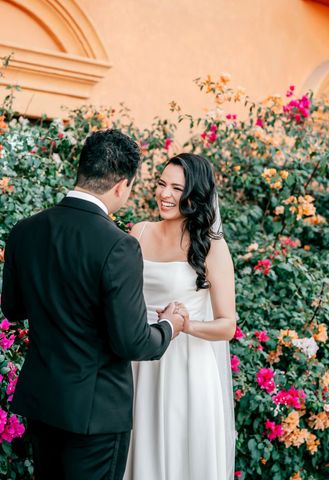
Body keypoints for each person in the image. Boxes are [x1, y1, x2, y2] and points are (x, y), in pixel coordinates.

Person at [1, 129, 186, 480]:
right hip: (95, 414)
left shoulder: (25, 231)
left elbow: (13, 310)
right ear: (121, 185)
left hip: (43, 404)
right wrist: (169, 327)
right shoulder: (119, 246)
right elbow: (131, 341)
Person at [124, 153, 238, 480]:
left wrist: (186, 325)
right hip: (141, 359)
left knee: (183, 452)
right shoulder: (139, 232)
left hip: (188, 365)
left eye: (177, 187)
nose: (165, 194)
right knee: (139, 447)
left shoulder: (212, 247)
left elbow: (227, 325)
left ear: (196, 195)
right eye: (161, 184)